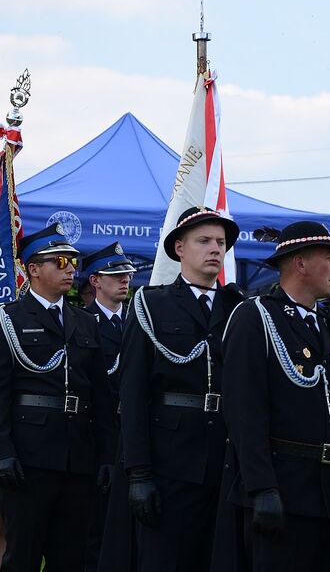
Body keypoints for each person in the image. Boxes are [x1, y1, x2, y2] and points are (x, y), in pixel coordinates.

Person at [219, 220, 330, 572]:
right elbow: (244, 410)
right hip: (285, 490)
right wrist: (261, 487)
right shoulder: (255, 317)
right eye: (328, 258)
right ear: (300, 264)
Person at [0, 223, 115, 572]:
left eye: (72, 261)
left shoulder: (84, 322)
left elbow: (99, 394)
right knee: (22, 553)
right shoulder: (6, 319)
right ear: (32, 269)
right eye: (59, 261)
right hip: (28, 457)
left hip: (77, 455)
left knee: (71, 557)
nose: (69, 268)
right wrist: (0, 454)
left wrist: (106, 455)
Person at [119, 206, 244, 572]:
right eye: (203, 241)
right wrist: (138, 472)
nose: (215, 249)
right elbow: (133, 393)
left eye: (221, 243)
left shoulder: (237, 307)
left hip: (224, 459)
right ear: (179, 249)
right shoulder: (150, 304)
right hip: (170, 460)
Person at [80, 242, 136, 572]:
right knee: (93, 530)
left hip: (129, 436)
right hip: (95, 438)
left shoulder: (136, 324)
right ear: (95, 281)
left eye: (127, 274)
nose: (125, 280)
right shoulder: (82, 322)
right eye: (116, 275)